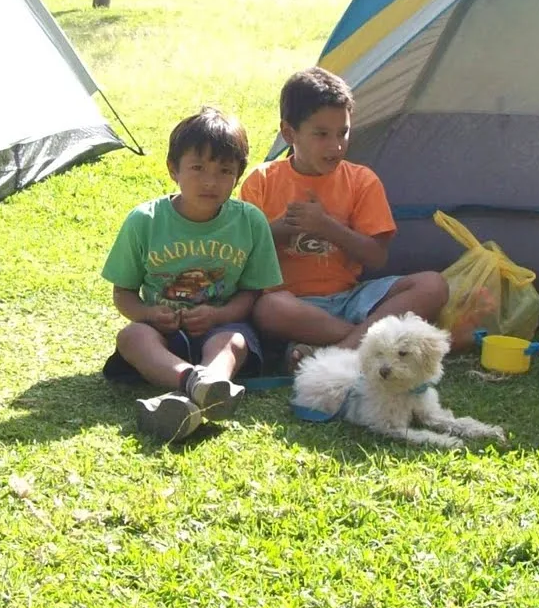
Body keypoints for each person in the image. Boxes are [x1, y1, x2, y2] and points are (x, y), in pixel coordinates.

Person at [241, 67, 449, 369]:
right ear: (289, 133)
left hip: (351, 299)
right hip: (295, 305)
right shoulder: (262, 180)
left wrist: (328, 227)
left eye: (343, 133)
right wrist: (284, 229)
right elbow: (244, 255)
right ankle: (369, 345)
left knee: (433, 285)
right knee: (268, 309)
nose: (336, 146)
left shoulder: (361, 180)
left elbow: (376, 257)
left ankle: (335, 353)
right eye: (321, 134)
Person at [101, 107, 284, 443]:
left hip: (221, 326)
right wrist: (147, 314)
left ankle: (208, 386)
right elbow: (122, 292)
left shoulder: (250, 222)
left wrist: (220, 314)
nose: (210, 181)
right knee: (131, 338)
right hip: (162, 334)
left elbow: (252, 292)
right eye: (197, 168)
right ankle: (195, 384)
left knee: (235, 342)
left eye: (224, 170)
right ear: (174, 169)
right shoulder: (144, 221)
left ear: (238, 175)